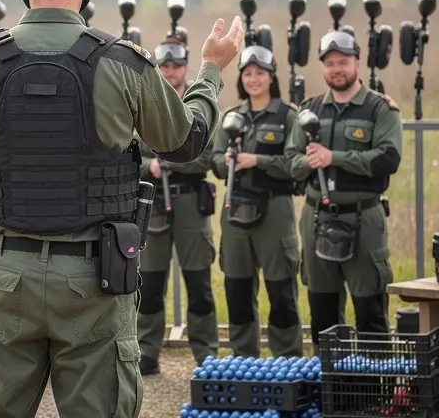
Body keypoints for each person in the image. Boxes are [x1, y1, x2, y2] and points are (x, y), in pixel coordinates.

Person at [0, 0, 241, 417]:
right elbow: (187, 142)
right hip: (97, 278)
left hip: (4, 276)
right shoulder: (124, 64)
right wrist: (211, 71)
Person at [285, 30, 402, 349]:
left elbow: (388, 158)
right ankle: (331, 380)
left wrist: (333, 157)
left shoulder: (380, 108)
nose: (337, 69)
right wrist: (308, 162)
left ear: (357, 63)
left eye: (343, 62)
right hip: (316, 219)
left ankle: (376, 379)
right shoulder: (308, 109)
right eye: (330, 63)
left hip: (363, 219)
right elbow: (291, 160)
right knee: (322, 313)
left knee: (370, 311)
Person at [211, 45, 302, 359]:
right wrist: (226, 161)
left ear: (272, 77)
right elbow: (215, 162)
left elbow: (295, 164)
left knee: (281, 289)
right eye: (247, 74)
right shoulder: (231, 117)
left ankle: (287, 359)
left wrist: (257, 160)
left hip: (275, 210)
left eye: (260, 73)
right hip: (235, 210)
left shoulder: (288, 116)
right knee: (237, 289)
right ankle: (243, 358)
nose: (253, 79)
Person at [136, 33, 218, 376]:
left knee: (198, 283)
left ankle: (206, 353)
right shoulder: (143, 100)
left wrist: (170, 161)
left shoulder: (199, 105)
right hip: (153, 202)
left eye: (177, 66)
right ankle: (147, 351)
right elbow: (128, 152)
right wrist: (150, 167)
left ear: (186, 68)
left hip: (190, 203)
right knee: (150, 283)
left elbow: (208, 157)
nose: (171, 72)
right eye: (165, 66)